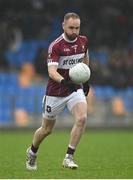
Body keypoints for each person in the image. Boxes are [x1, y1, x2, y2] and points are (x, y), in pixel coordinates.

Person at [26, 12, 90, 170]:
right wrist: (64, 81)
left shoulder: (83, 41)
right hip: (55, 91)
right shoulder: (56, 46)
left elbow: (85, 58)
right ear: (63, 26)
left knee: (82, 118)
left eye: (77, 28)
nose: (74, 31)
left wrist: (85, 79)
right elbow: (52, 72)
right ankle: (32, 152)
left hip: (74, 88)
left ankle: (69, 157)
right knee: (47, 130)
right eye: (71, 28)